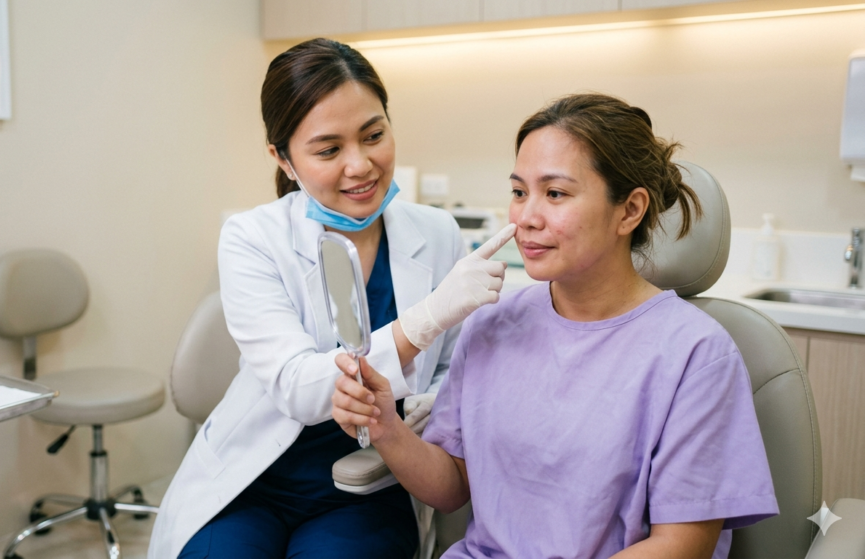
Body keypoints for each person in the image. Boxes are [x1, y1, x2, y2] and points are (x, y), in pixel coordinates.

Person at [331, 93, 779, 559]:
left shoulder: (696, 353)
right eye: (519, 192)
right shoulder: (491, 324)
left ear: (629, 210)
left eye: (556, 194)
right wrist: (385, 425)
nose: (526, 217)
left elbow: (683, 544)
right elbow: (451, 488)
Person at [148, 38, 516, 559]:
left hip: (368, 485)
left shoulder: (436, 233)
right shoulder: (253, 238)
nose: (360, 165)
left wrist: (416, 410)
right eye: (328, 150)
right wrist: (426, 319)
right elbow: (298, 386)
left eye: (374, 135)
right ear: (283, 158)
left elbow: (451, 373)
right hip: (251, 479)